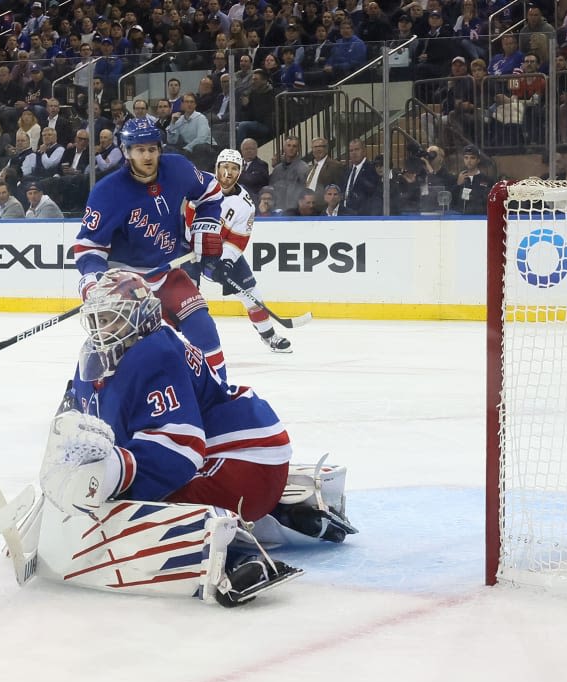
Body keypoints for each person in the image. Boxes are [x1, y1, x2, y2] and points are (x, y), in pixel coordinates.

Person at [30, 270, 352, 605]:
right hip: (237, 453)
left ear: (140, 317)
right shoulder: (104, 354)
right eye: (96, 320)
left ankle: (235, 555)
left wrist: (113, 469)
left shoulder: (154, 352)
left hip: (246, 460)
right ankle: (290, 511)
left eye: (110, 319)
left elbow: (181, 451)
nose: (100, 330)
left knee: (142, 504)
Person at [73, 117, 230, 378]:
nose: (147, 156)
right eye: (140, 150)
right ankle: (93, 394)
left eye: (152, 149)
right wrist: (94, 279)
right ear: (126, 152)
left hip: (166, 270)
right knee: (115, 348)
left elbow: (211, 190)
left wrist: (205, 226)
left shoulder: (178, 169)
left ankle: (218, 392)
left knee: (203, 327)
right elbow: (89, 246)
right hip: (124, 281)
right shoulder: (107, 191)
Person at [203, 148, 292, 352]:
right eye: (224, 166)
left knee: (251, 292)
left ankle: (269, 336)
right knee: (181, 293)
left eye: (234, 168)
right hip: (189, 248)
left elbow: (237, 239)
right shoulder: (200, 187)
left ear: (240, 172)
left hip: (220, 250)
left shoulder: (245, 204)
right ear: (217, 167)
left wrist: (225, 261)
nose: (228, 172)